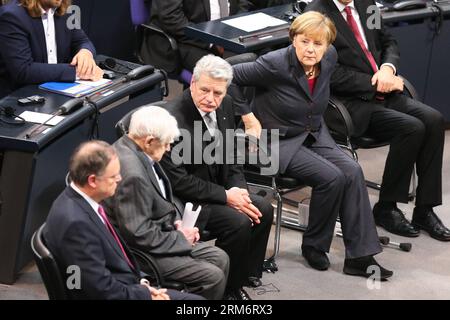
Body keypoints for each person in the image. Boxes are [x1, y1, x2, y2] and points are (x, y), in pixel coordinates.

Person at [231, 12, 392, 279]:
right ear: (293, 39)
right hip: (276, 140)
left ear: (328, 46)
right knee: (332, 177)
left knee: (352, 171)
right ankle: (314, 246)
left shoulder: (329, 58)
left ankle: (360, 257)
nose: (310, 49)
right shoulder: (274, 64)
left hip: (314, 132)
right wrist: (248, 118)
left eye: (318, 44)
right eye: (305, 41)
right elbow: (229, 76)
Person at [305, 0, 450, 241]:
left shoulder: (365, 4)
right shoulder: (317, 14)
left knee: (434, 120)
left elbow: (387, 41)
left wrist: (388, 68)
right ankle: (387, 207)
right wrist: (375, 82)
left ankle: (425, 209)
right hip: (350, 103)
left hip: (383, 90)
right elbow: (328, 73)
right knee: (412, 128)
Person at [159, 55, 274, 300]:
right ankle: (228, 290)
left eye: (218, 93)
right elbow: (178, 181)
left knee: (262, 208)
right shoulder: (172, 120)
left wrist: (239, 191)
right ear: (192, 84)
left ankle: (246, 273)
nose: (211, 99)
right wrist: (226, 196)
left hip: (219, 189)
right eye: (205, 90)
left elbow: (231, 156)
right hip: (188, 201)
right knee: (238, 222)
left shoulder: (227, 104)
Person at [43, 140, 202, 300]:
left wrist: (143, 284)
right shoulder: (76, 224)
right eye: (113, 176)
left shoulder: (82, 202)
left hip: (128, 285)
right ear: (92, 181)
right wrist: (145, 294)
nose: (120, 179)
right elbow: (98, 290)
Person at [102, 106, 229, 300]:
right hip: (143, 253)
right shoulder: (133, 176)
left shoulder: (132, 145)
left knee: (220, 257)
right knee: (212, 277)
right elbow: (138, 234)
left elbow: (161, 199)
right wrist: (180, 238)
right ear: (150, 141)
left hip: (162, 232)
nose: (169, 148)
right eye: (167, 144)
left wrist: (177, 224)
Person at [0, 0, 103, 98]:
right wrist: (79, 72)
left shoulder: (65, 11)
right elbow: (23, 70)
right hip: (21, 97)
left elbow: (82, 41)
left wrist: (86, 53)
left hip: (57, 91)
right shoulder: (12, 16)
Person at [144, 0, 249, 74]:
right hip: (184, 40)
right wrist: (212, 42)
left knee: (251, 63)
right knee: (220, 74)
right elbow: (171, 19)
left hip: (227, 36)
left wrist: (237, 24)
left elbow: (243, 3)